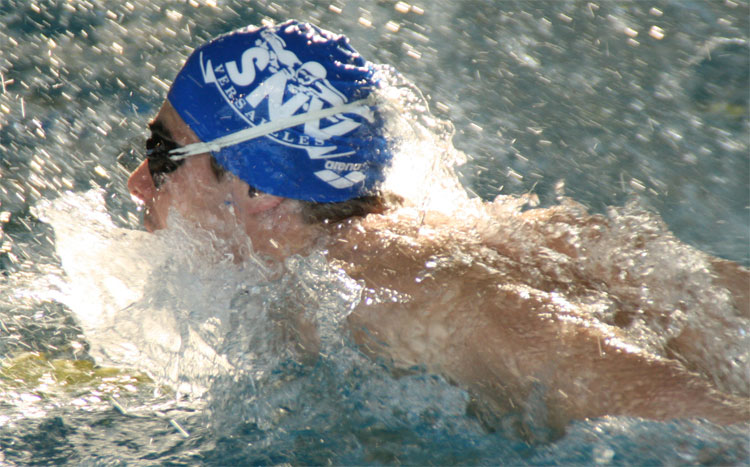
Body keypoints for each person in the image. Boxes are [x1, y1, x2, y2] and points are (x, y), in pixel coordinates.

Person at [127, 20, 749, 434]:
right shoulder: (464, 233)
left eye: (162, 155)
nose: (137, 182)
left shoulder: (398, 302)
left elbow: (707, 431)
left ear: (260, 189)